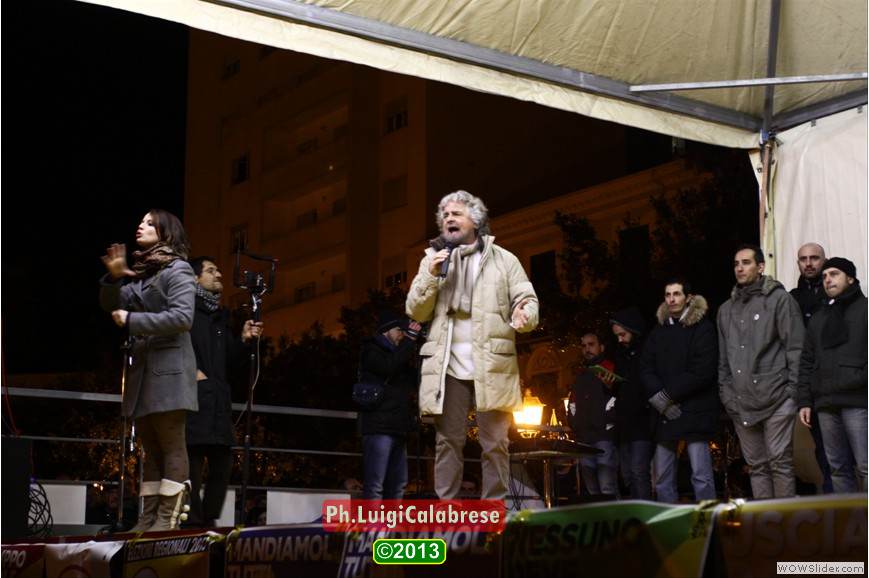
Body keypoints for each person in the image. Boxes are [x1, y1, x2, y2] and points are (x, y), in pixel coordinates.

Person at [406, 190, 539, 500]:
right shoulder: (432, 260)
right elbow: (416, 311)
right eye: (445, 215)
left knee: (496, 443)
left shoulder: (505, 260)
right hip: (448, 368)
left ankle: (493, 507)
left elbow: (527, 299)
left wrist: (524, 314)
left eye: (457, 213)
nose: (449, 219)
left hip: (492, 364)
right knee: (447, 441)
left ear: (476, 220)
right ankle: (447, 507)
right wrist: (430, 276)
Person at [100, 209, 197, 531]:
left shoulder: (178, 269)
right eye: (140, 221)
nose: (140, 226)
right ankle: (148, 518)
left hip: (169, 370)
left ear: (166, 231)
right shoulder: (144, 275)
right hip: (144, 372)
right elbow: (110, 303)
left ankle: (167, 519)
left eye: (149, 223)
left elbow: (183, 318)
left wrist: (133, 320)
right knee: (151, 450)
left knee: (171, 443)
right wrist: (114, 277)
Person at [717, 244, 804, 499]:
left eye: (746, 262)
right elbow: (723, 360)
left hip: (778, 397)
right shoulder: (726, 310)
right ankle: (766, 521)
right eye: (736, 264)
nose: (740, 268)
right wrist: (727, 395)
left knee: (780, 462)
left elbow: (796, 347)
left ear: (761, 267)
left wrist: (793, 392)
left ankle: (785, 520)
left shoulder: (779, 299)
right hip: (741, 402)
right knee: (756, 466)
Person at [185, 256, 263, 527]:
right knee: (191, 466)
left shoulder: (219, 317)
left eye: (218, 269)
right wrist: (190, 373)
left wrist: (243, 340)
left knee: (223, 463)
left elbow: (229, 361)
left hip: (218, 404)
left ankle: (208, 521)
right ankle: (192, 524)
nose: (218, 274)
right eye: (211, 270)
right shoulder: (185, 312)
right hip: (192, 402)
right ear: (195, 278)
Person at [641, 279, 718, 503]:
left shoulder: (703, 328)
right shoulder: (658, 331)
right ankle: (670, 520)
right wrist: (659, 398)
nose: (672, 299)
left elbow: (703, 371)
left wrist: (667, 396)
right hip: (665, 414)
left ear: (688, 298)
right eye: (668, 294)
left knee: (701, 476)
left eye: (677, 294)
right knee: (662, 479)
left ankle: (708, 518)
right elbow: (645, 367)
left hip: (695, 411)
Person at [797, 258, 867, 492]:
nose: (827, 279)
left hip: (858, 400)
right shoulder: (819, 317)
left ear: (850, 278)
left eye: (834, 274)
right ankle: (849, 516)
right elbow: (807, 361)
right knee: (837, 468)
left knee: (865, 466)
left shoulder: (866, 309)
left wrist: (859, 379)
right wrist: (805, 401)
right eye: (825, 276)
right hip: (826, 402)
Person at [358, 310, 421, 499]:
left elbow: (415, 380)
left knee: (398, 485)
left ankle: (392, 519)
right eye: (399, 330)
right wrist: (410, 341)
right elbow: (388, 367)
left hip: (398, 428)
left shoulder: (401, 354)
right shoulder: (371, 350)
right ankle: (373, 519)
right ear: (386, 330)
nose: (403, 334)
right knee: (375, 485)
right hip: (378, 428)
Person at [789, 242, 836, 493]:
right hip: (812, 385)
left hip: (843, 382)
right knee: (823, 450)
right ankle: (833, 506)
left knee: (856, 452)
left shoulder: (837, 292)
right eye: (803, 259)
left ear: (824, 260)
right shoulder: (792, 299)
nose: (808, 263)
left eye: (814, 258)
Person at [568, 332, 620, 498]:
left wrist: (609, 422)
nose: (587, 349)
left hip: (604, 435)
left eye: (591, 344)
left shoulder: (610, 369)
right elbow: (572, 402)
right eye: (584, 346)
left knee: (607, 487)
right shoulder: (581, 375)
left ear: (601, 347)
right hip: (584, 437)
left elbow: (618, 397)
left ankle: (615, 514)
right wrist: (575, 424)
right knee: (593, 490)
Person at [609, 308, 653, 500]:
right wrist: (611, 383)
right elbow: (621, 387)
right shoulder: (620, 354)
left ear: (633, 330)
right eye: (617, 336)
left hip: (642, 421)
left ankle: (644, 512)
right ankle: (636, 508)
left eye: (622, 334)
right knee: (627, 473)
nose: (620, 340)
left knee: (638, 471)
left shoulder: (646, 352)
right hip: (624, 423)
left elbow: (647, 384)